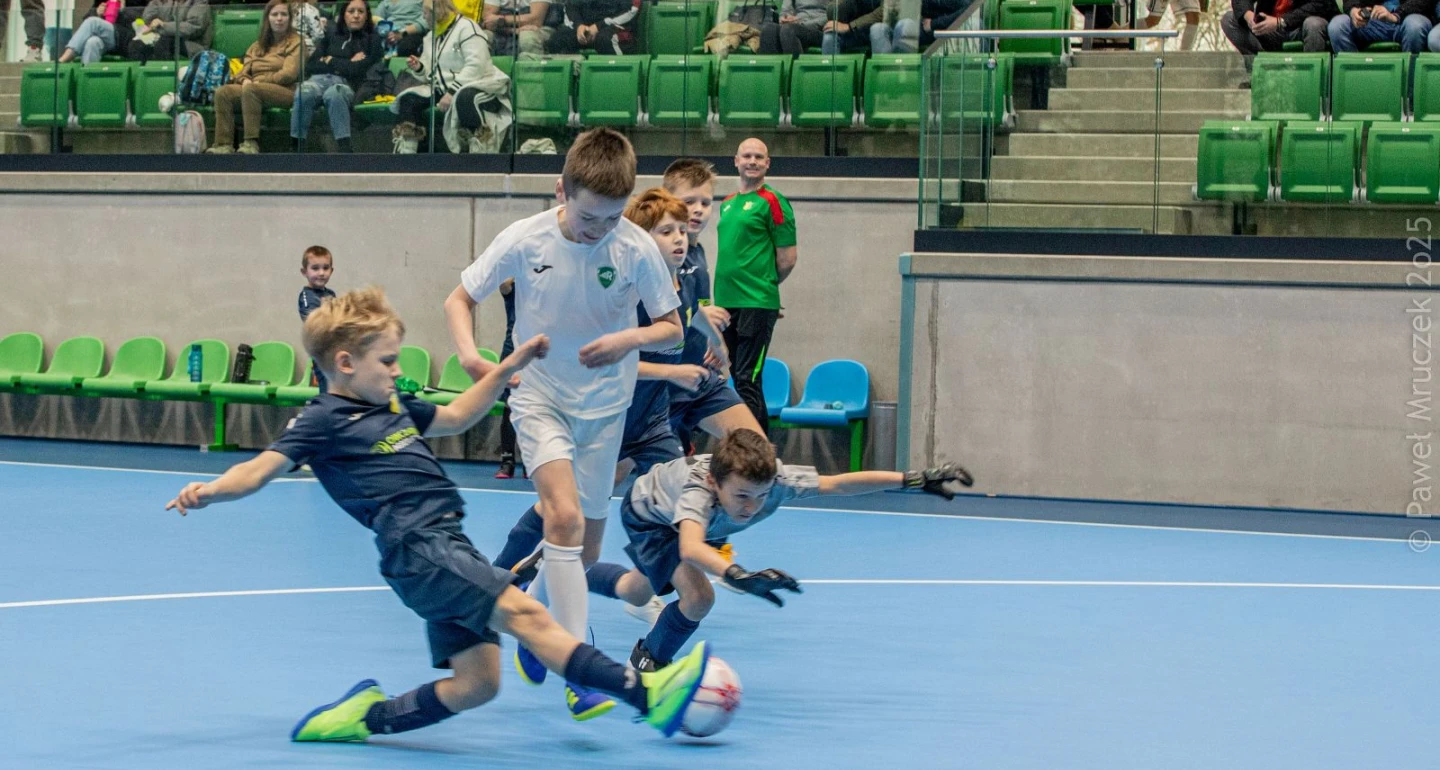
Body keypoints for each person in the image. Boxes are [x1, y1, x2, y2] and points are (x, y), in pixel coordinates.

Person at [164, 287, 711, 744]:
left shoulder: (393, 404)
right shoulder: (322, 420)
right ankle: (649, 696)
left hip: (448, 546)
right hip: (418, 551)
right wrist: (208, 491)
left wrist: (508, 368)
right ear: (345, 364)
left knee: (477, 685)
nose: (397, 370)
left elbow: (456, 415)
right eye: (387, 361)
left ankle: (365, 717)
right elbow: (259, 470)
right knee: (528, 616)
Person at [443, 127, 684, 719]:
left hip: (606, 408)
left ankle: (537, 620)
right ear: (561, 191)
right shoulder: (524, 238)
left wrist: (627, 338)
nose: (598, 229)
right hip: (538, 396)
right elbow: (459, 299)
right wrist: (473, 357)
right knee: (564, 518)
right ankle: (581, 673)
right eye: (587, 217)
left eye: (610, 218)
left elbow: (672, 331)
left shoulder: (635, 248)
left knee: (583, 549)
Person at [616, 428, 972, 672]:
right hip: (650, 517)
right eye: (742, 496)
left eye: (761, 495)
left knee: (635, 590)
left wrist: (911, 479)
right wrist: (737, 575)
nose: (751, 507)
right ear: (714, 481)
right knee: (699, 597)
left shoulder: (777, 481)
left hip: (693, 520)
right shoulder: (699, 489)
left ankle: (589, 576)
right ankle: (648, 663)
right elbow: (690, 546)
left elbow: (836, 484)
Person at [715, 138, 797, 435]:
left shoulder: (773, 201)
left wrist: (765, 290)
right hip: (725, 304)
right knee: (737, 378)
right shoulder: (726, 203)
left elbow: (787, 258)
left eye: (759, 157)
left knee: (747, 378)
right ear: (736, 161)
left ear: (767, 163)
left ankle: (755, 452)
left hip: (756, 303)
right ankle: (753, 450)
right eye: (747, 156)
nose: (752, 161)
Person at [391, 0, 512, 154]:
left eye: (425, 13)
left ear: (436, 12)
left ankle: (479, 149)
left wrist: (451, 92)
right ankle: (409, 152)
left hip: (480, 84)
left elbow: (477, 65)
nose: (423, 17)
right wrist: (420, 68)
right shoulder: (430, 37)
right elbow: (430, 75)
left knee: (464, 98)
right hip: (444, 88)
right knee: (408, 98)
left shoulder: (467, 27)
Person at [207, 0, 303, 154]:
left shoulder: (296, 42)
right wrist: (244, 79)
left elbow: (289, 74)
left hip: (286, 90)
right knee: (223, 92)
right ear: (267, 19)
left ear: (289, 18)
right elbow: (243, 71)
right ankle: (223, 144)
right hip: (254, 87)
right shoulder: (257, 45)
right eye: (274, 14)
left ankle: (251, 143)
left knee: (251, 89)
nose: (279, 18)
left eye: (284, 14)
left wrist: (260, 81)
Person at [292, 0, 383, 153]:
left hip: (346, 83)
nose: (356, 16)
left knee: (335, 93)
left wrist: (330, 59)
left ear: (367, 16)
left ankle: (345, 149)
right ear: (343, 15)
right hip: (318, 80)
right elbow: (311, 66)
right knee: (304, 92)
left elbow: (358, 70)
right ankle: (296, 148)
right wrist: (347, 62)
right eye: (351, 11)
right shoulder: (331, 36)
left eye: (361, 12)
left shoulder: (372, 39)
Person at [1222, 0, 1332, 62]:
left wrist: (1280, 21)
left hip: (1300, 27)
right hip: (1269, 29)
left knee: (1314, 24)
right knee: (1229, 19)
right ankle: (1259, 69)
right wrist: (1248, 15)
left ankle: (1311, 77)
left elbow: (1321, 4)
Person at [298, 245, 337, 392]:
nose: (321, 273)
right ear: (304, 272)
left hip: (335, 352)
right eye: (315, 268)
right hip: (322, 354)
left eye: (325, 268)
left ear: (331, 270)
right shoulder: (306, 296)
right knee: (327, 391)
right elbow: (315, 324)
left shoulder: (331, 294)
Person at [126, 0, 213, 64]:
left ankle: (161, 76)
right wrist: (154, 21)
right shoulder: (165, 2)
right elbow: (147, 19)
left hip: (192, 44)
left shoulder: (199, 2)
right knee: (136, 45)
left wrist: (163, 26)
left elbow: (194, 27)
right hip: (161, 38)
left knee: (166, 41)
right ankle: (145, 78)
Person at [547, 0, 639, 55]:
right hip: (585, 29)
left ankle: (616, 77)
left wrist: (599, 26)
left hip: (616, 27)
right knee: (557, 40)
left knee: (604, 39)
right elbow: (571, 6)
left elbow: (632, 9)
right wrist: (579, 26)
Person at [58, 0, 130, 65]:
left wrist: (124, 10)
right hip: (105, 39)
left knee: (93, 22)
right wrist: (96, 12)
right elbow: (85, 24)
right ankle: (87, 73)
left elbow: (136, 20)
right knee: (92, 42)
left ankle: (66, 57)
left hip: (124, 39)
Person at [482, 0, 555, 58]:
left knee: (527, 39)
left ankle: (533, 71)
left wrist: (502, 20)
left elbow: (536, 20)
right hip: (503, 29)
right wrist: (513, 30)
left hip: (539, 27)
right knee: (483, 37)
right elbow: (488, 21)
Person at [758, 0, 829, 56]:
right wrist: (785, 18)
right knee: (769, 30)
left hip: (822, 29)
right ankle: (773, 70)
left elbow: (832, 14)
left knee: (789, 30)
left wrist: (802, 24)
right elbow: (786, 11)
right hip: (796, 24)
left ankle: (796, 69)